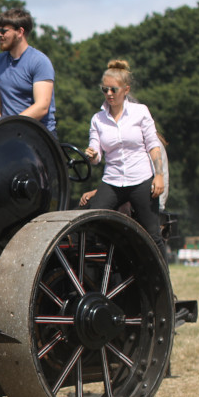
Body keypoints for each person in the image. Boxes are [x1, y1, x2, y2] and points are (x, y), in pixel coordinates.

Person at [82, 59, 166, 257]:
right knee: (92, 222)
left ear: (126, 89)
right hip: (112, 180)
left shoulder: (140, 112)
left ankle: (165, 285)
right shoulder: (98, 119)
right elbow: (96, 154)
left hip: (140, 179)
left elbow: (153, 146)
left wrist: (159, 175)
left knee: (152, 234)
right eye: (105, 90)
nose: (109, 94)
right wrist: (92, 154)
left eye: (113, 90)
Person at [0, 7, 57, 134]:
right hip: (8, 134)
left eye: (4, 31)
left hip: (39, 136)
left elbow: (42, 106)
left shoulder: (39, 62)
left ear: (20, 32)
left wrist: (12, 126)